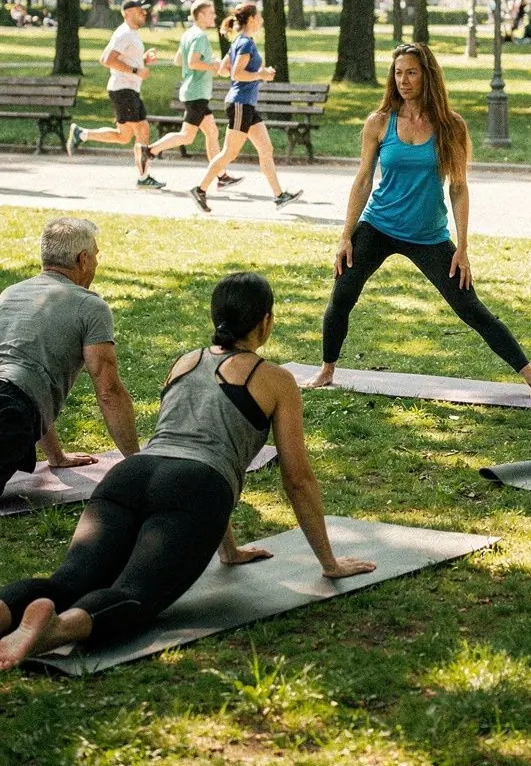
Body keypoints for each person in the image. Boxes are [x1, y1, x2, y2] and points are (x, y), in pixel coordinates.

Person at [0, 272, 376, 669]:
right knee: (137, 592)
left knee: (69, 580)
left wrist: (228, 549)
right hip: (196, 488)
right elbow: (296, 479)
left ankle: (18, 614)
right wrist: (329, 563)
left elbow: (195, 436)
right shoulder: (275, 380)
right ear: (266, 322)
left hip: (131, 476)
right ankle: (55, 631)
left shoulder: (184, 362)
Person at [307, 42, 531, 398]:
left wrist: (463, 248)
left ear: (427, 76)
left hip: (428, 234)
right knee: (342, 294)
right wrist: (346, 235)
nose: (403, 80)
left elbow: (459, 187)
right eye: (397, 73)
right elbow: (362, 180)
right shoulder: (379, 123)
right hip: (378, 226)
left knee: (470, 307)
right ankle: (327, 369)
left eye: (411, 72)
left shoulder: (451, 127)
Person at [0, 218, 139, 498]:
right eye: (96, 256)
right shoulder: (90, 306)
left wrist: (56, 457)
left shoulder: (10, 294)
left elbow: (30, 382)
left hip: (13, 404)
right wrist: (140, 466)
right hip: (9, 411)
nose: (97, 264)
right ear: (83, 259)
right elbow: (109, 392)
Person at [190, 3, 302, 214]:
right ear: (250, 18)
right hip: (240, 103)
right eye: (258, 16)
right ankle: (200, 189)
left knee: (266, 149)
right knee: (228, 153)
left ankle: (279, 196)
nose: (261, 19)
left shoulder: (240, 42)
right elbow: (235, 74)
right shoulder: (244, 43)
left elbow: (223, 69)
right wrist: (260, 75)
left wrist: (260, 73)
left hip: (246, 103)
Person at [134, 0, 240, 190]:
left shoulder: (188, 34)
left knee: (212, 132)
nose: (213, 17)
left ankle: (221, 174)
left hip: (195, 91)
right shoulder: (200, 37)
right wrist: (213, 66)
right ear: (200, 15)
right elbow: (192, 62)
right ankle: (148, 150)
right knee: (186, 136)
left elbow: (177, 60)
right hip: (196, 93)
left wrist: (208, 61)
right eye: (210, 14)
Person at [66, 0, 166, 190]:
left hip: (126, 89)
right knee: (143, 130)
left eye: (144, 10)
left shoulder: (130, 33)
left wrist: (143, 60)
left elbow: (118, 58)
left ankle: (82, 133)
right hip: (124, 90)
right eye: (139, 10)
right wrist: (136, 71)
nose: (144, 13)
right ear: (127, 13)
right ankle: (144, 177)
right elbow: (106, 60)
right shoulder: (124, 34)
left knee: (123, 136)